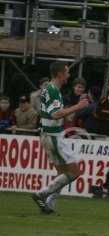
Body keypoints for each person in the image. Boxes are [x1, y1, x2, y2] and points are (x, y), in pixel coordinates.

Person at [31, 62, 89, 214]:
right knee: (75, 172)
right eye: (67, 72)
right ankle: (42, 194)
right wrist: (79, 106)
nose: (69, 75)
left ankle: (49, 205)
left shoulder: (49, 89)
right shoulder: (53, 90)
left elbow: (56, 114)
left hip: (47, 135)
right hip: (54, 137)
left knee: (62, 174)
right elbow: (55, 114)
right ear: (60, 74)